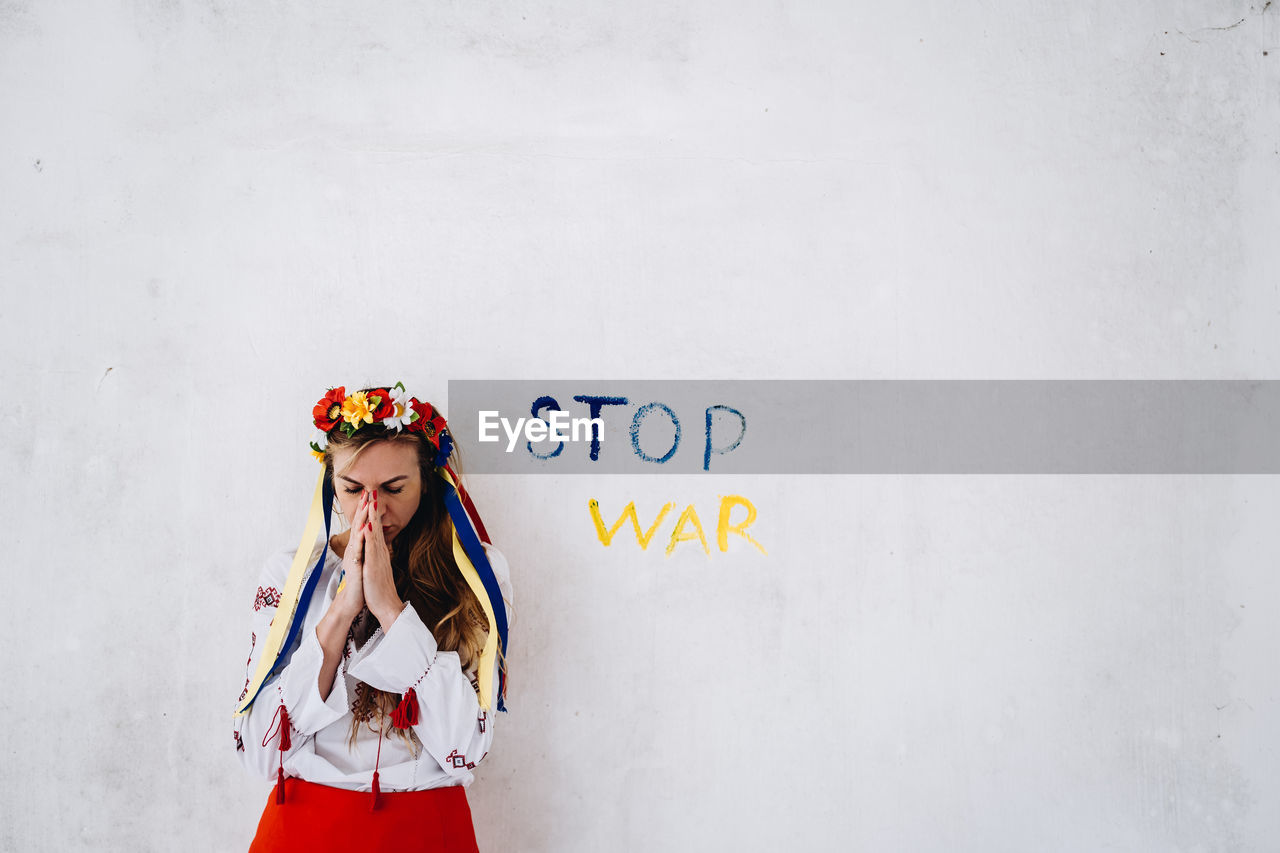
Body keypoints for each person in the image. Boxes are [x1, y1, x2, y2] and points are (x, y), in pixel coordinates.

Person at [233, 383, 513, 852]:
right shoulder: (293, 574)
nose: (372, 508)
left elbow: (465, 751)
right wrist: (343, 609)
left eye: (394, 488)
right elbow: (261, 755)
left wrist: (390, 610)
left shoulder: (478, 573)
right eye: (352, 488)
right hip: (302, 830)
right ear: (330, 483)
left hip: (424, 829)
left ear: (427, 480)